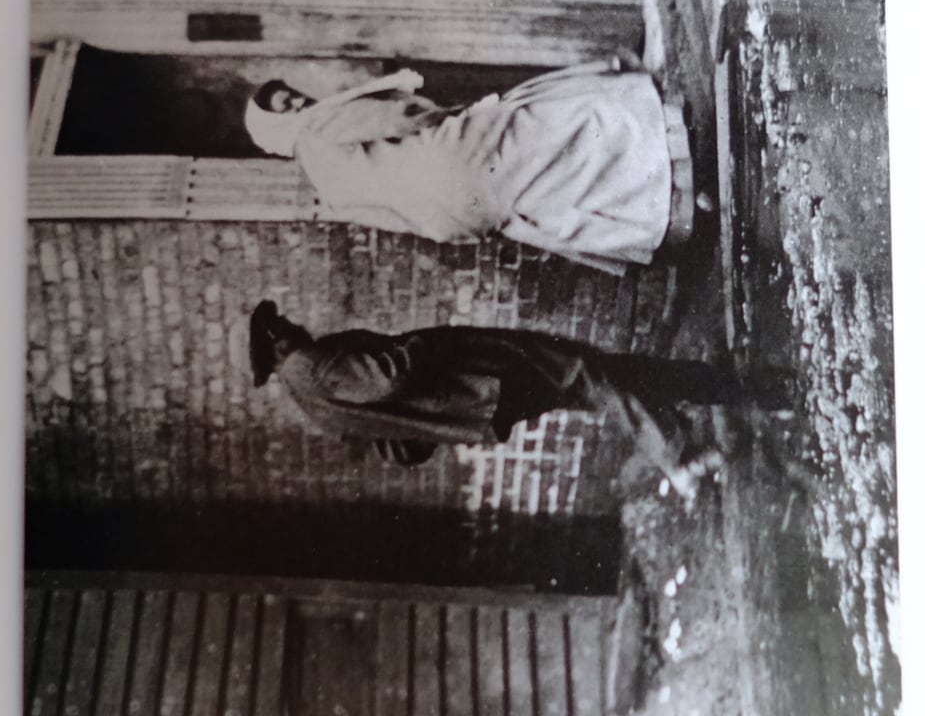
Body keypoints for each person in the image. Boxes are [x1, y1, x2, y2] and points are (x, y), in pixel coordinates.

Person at [242, 60, 693, 272]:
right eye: (287, 106)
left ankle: (664, 212)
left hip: (453, 216)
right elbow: (400, 117)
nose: (299, 103)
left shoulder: (328, 191)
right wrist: (455, 113)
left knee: (543, 193)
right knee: (537, 114)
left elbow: (394, 218)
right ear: (279, 129)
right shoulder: (316, 127)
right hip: (450, 159)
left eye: (292, 97)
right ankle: (663, 141)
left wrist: (458, 228)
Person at [247, 302, 764, 479]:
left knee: (600, 375)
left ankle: (729, 387)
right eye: (279, 322)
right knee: (584, 373)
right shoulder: (306, 365)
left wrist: (434, 423)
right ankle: (677, 453)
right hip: (480, 377)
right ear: (272, 341)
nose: (289, 321)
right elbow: (392, 375)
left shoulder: (312, 408)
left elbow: (399, 450)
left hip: (477, 407)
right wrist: (429, 341)